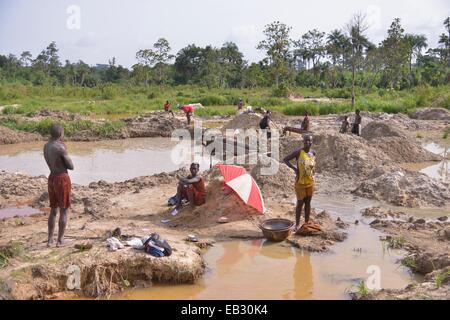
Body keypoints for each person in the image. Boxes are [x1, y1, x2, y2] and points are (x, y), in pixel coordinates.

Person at [43, 124, 74, 247]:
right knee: (64, 210)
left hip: (51, 177)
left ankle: (50, 240)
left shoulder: (46, 146)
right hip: (62, 178)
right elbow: (71, 166)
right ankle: (60, 241)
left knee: (53, 210)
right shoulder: (60, 147)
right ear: (60, 133)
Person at [283, 134, 316, 232]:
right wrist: (294, 169)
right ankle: (297, 224)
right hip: (300, 182)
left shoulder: (313, 153)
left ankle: (306, 222)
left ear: (312, 142)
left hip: (310, 182)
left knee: (308, 203)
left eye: (309, 141)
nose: (308, 143)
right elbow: (285, 159)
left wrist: (313, 174)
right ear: (303, 142)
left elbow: (313, 166)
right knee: (300, 203)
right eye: (306, 141)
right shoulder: (298, 152)